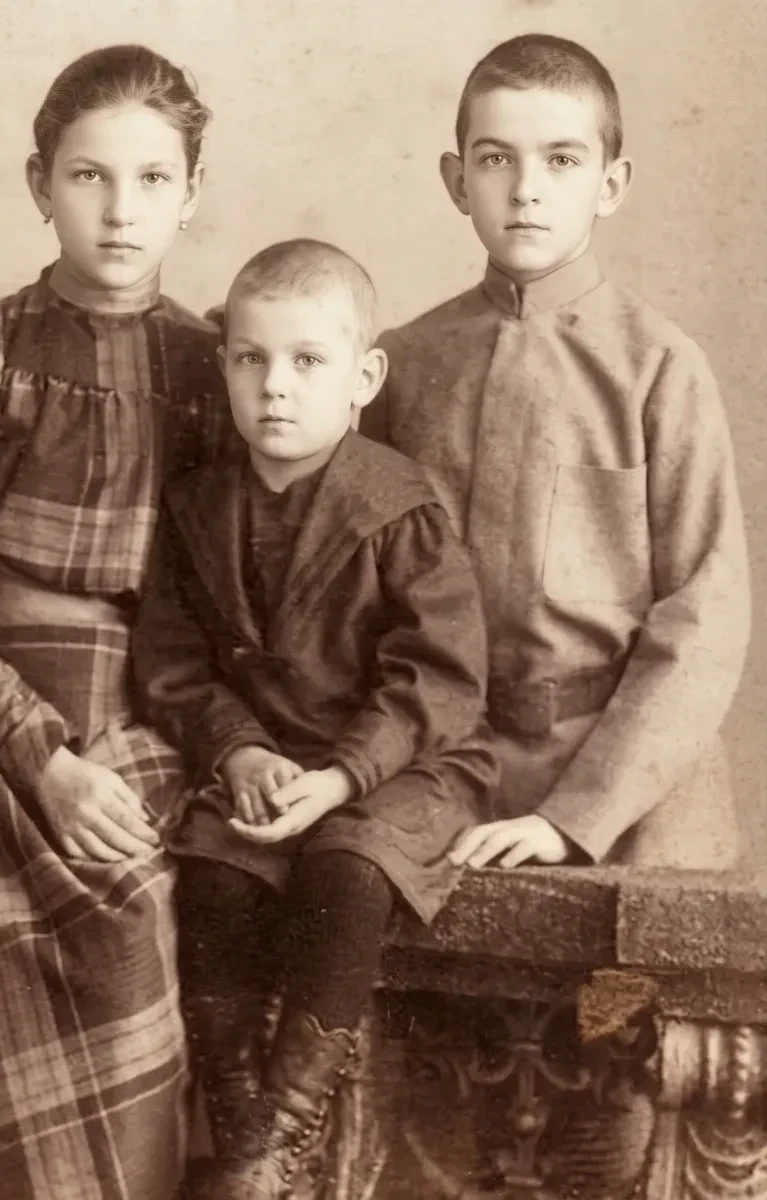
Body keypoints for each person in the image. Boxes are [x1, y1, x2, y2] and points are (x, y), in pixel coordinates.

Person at [0, 44, 232, 1200]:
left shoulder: (214, 367)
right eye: (88, 176)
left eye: (152, 179)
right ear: (39, 184)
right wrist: (44, 763)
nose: (121, 210)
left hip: (147, 718)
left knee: (138, 922)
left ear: (192, 192)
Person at [134, 238, 497, 1199]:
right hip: (270, 758)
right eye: (251, 359)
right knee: (215, 873)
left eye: (307, 361)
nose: (275, 388)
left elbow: (440, 677)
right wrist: (238, 750)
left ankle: (280, 1139)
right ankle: (242, 1124)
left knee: (347, 870)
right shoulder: (197, 506)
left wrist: (342, 777)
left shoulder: (400, 506)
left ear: (363, 378)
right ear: (223, 364)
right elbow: (172, 661)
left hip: (404, 763)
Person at [361, 33, 750, 872]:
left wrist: (575, 818)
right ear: (456, 180)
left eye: (563, 160)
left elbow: (704, 621)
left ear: (611, 184)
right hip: (443, 775)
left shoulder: (659, 367)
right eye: (496, 158)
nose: (526, 189)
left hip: (625, 791)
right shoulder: (405, 362)